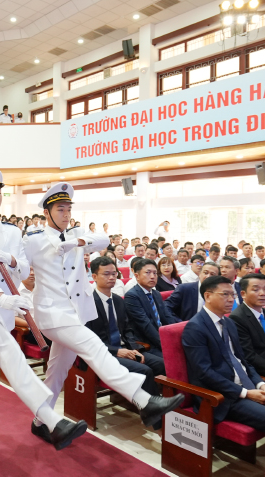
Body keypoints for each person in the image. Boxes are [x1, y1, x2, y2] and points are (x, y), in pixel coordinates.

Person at [23, 182, 183, 435]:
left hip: (75, 313)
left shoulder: (77, 234)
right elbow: (19, 268)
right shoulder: (34, 240)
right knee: (94, 348)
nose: (66, 214)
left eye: (68, 209)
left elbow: (103, 239)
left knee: (57, 372)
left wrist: (78, 242)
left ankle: (40, 422)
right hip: (52, 314)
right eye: (60, 209)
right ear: (46, 213)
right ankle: (143, 400)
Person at [0, 168, 81, 456]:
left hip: (6, 311)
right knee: (11, 354)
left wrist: (9, 259)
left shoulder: (11, 230)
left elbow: (22, 270)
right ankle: (50, 419)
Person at [181, 276, 265, 433]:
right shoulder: (195, 328)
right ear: (208, 296)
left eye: (233, 295)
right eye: (225, 294)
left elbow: (242, 360)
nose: (231, 299)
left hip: (245, 385)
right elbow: (204, 372)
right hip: (223, 396)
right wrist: (246, 393)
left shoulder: (228, 322)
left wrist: (260, 384)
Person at [87, 257, 165, 395]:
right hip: (104, 353)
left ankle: (161, 399)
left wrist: (133, 348)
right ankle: (152, 406)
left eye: (114, 273)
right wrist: (116, 351)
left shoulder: (118, 300)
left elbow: (127, 329)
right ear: (94, 277)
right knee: (144, 370)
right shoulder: (88, 303)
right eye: (106, 274)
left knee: (161, 363)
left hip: (125, 348)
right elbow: (88, 339)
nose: (112, 277)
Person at [123, 258, 180, 351]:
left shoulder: (156, 293)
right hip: (147, 342)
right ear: (137, 276)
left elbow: (167, 316)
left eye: (155, 273)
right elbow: (145, 325)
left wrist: (177, 334)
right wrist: (166, 345)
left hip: (162, 336)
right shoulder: (132, 296)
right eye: (148, 273)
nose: (153, 276)